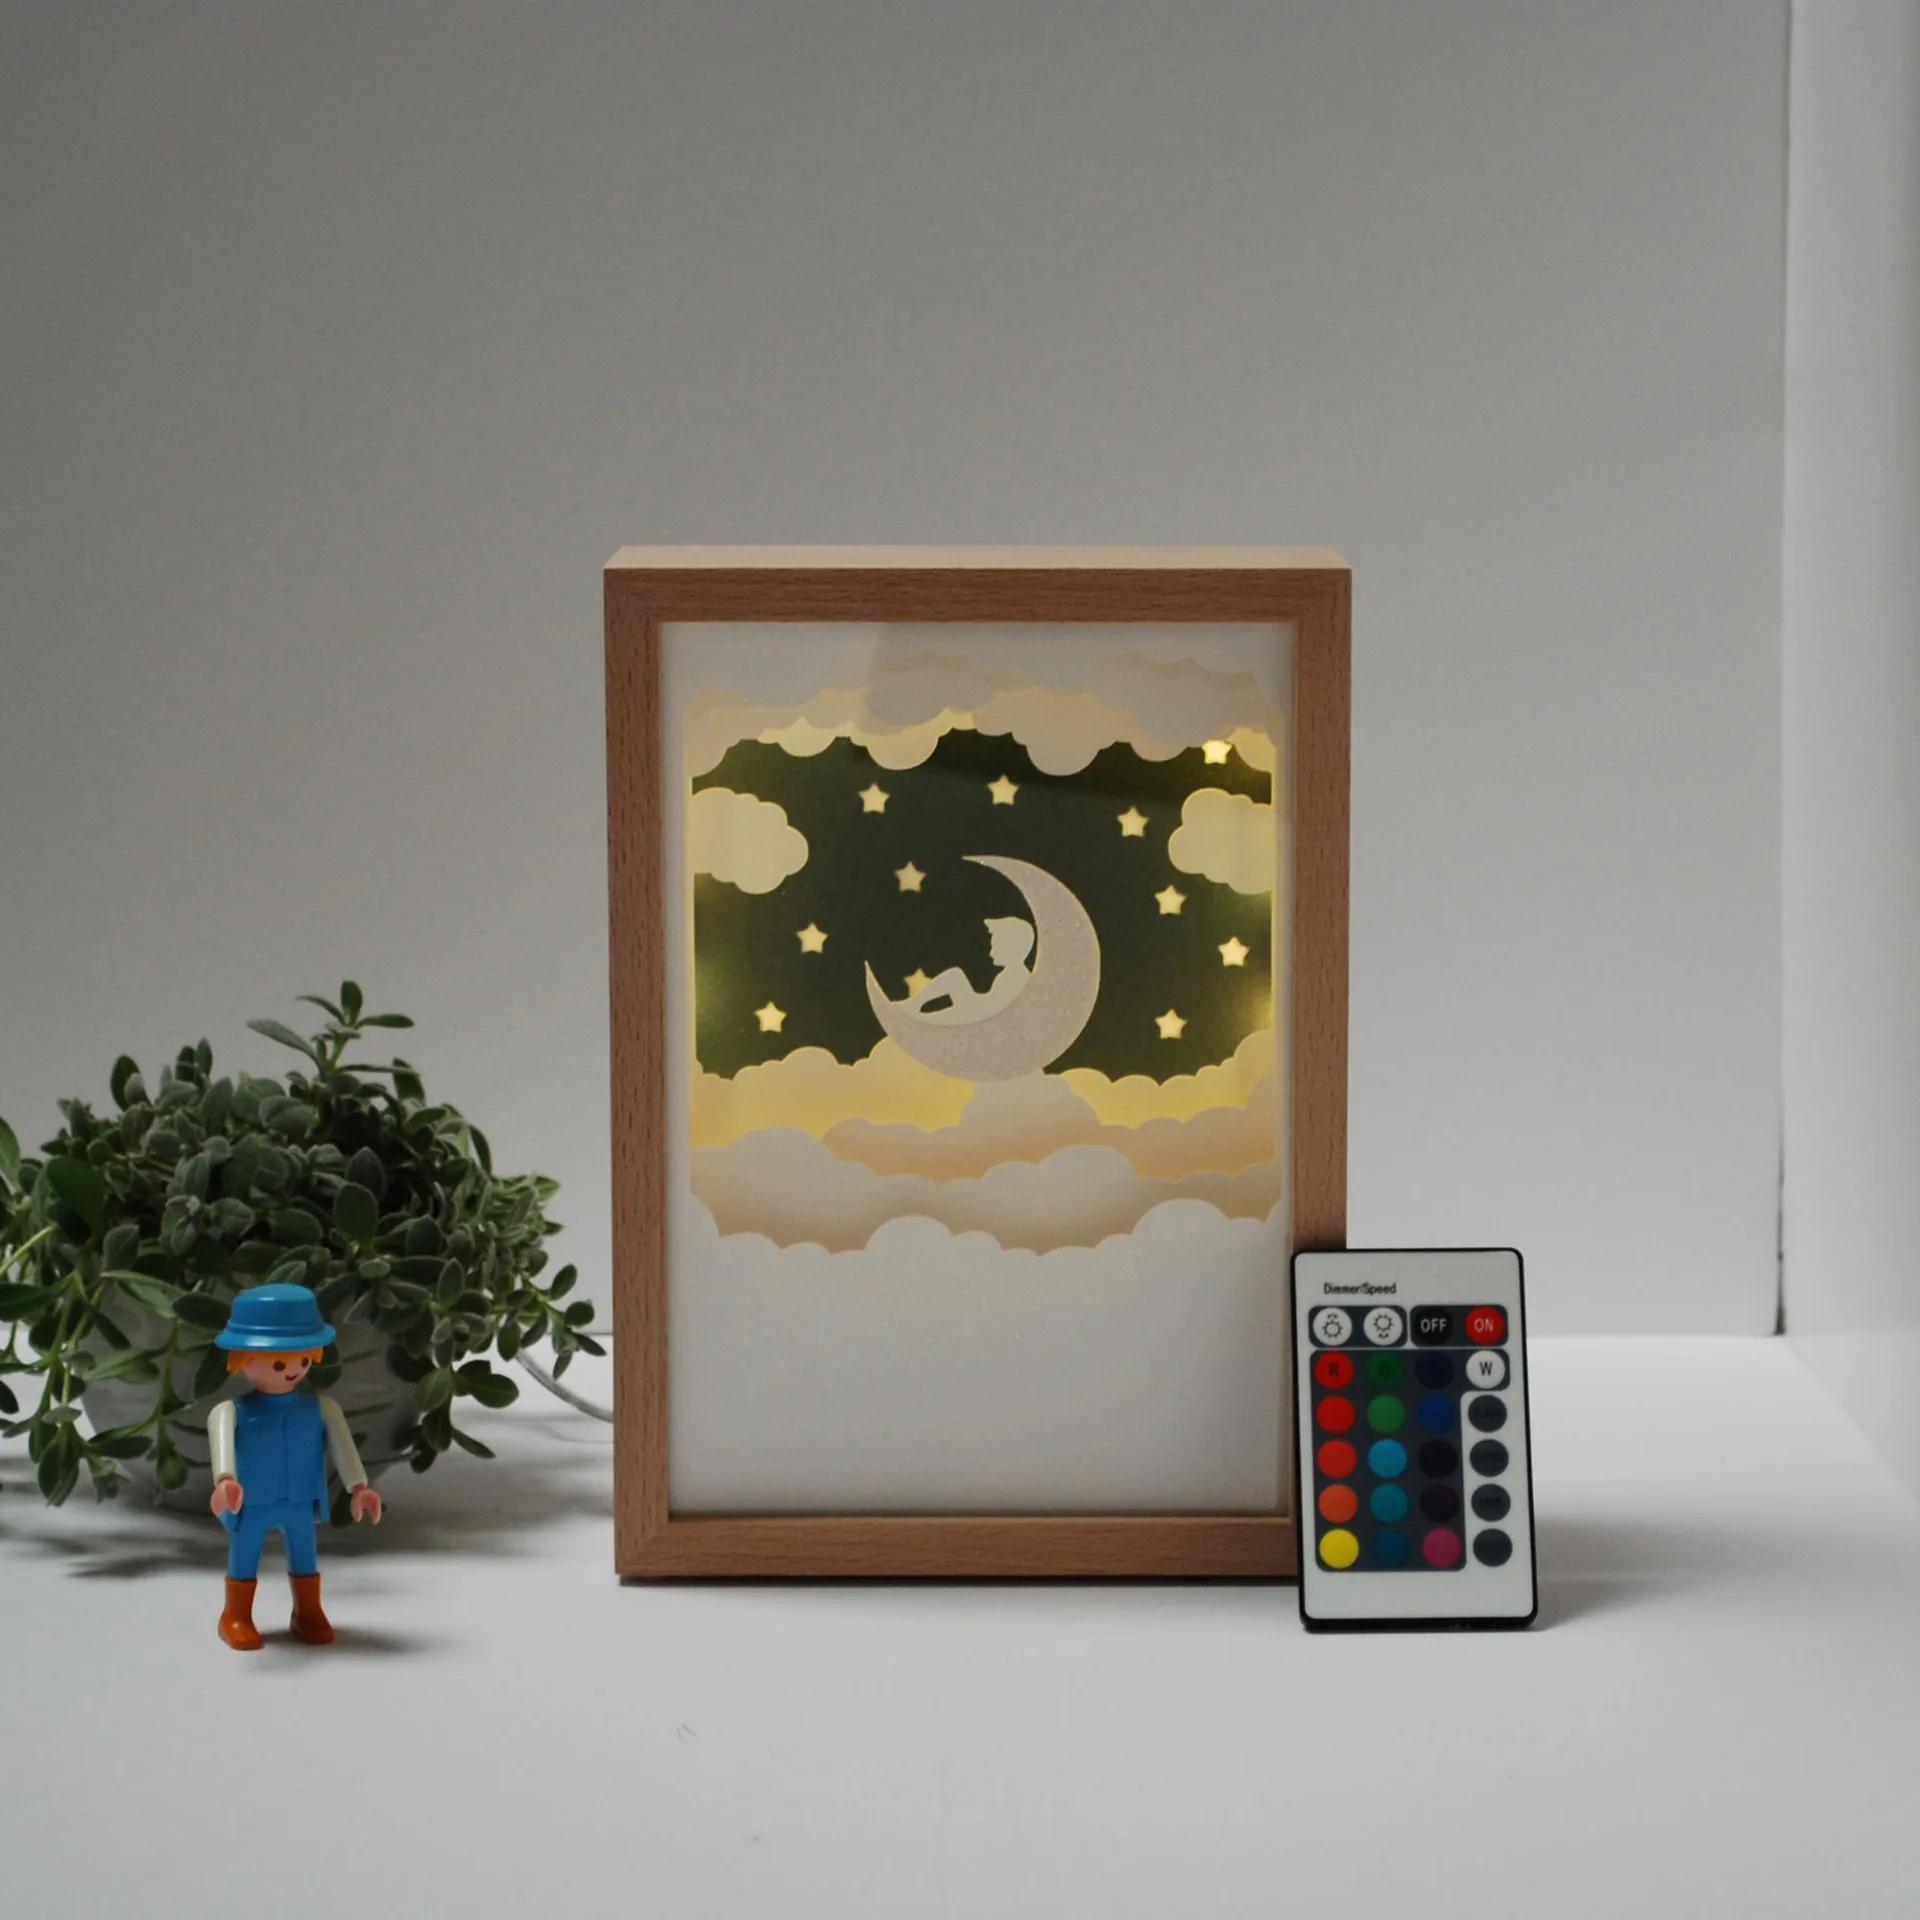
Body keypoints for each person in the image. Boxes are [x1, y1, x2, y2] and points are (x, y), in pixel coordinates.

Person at [206, 1282, 383, 1650]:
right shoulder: (229, 1412)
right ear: (244, 1358)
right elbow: (222, 1457)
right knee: (245, 1555)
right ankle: (235, 1615)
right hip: (252, 1500)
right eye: (279, 1363)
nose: (293, 1370)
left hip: (300, 1498)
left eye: (303, 1361)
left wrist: (358, 1487)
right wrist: (225, 1483)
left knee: (305, 1556)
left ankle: (308, 1611)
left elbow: (343, 1447)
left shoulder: (321, 1407)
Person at [904, 916, 1035, 1025]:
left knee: (955, 977)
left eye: (996, 943)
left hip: (982, 1012)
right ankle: (917, 1010)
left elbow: (996, 1008)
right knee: (955, 981)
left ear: (1010, 946)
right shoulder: (1013, 973)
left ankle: (918, 1011)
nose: (991, 950)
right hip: (981, 1009)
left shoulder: (1016, 975)